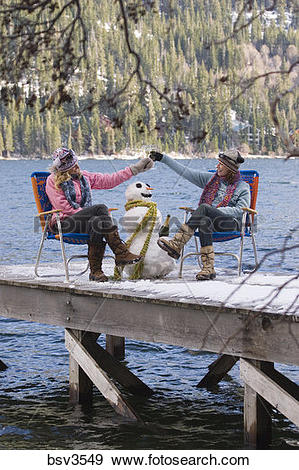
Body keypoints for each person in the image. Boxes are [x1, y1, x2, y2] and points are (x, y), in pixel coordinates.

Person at [46, 147, 154, 282]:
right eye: (71, 166)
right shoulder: (52, 180)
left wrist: (135, 169)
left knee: (98, 222)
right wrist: (89, 214)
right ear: (63, 169)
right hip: (63, 223)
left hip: (82, 222)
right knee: (100, 209)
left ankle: (95, 272)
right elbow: (64, 207)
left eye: (75, 163)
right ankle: (121, 253)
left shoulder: (84, 177)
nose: (76, 167)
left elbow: (110, 180)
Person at [149, 149, 250, 280]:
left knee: (204, 209)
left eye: (221, 164)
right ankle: (208, 268)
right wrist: (163, 158)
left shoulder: (243, 187)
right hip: (212, 223)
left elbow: (241, 210)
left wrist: (216, 211)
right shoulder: (211, 180)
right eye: (218, 163)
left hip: (232, 224)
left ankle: (177, 244)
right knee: (204, 220)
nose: (217, 166)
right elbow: (185, 172)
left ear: (230, 168)